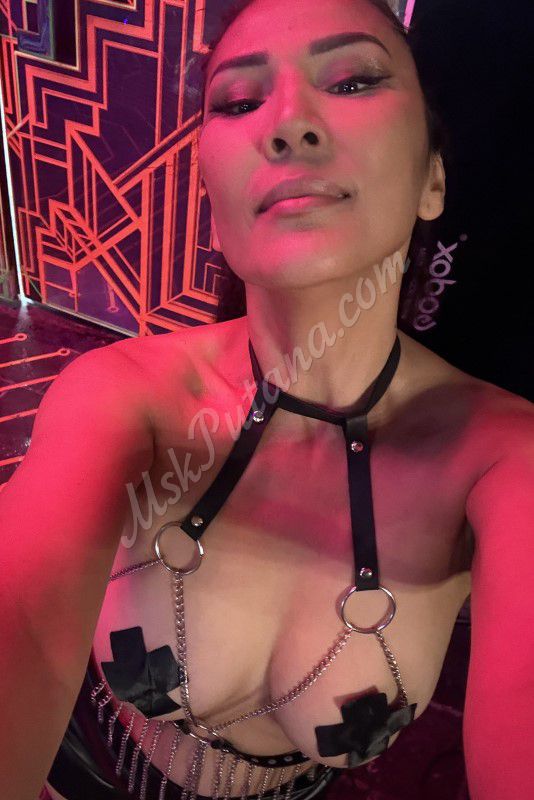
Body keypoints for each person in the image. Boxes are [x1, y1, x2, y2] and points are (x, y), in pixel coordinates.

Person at [0, 1, 532, 799]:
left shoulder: (502, 458)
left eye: (352, 81)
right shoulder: (122, 397)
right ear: (213, 201)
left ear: (433, 179)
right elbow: (23, 622)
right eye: (240, 100)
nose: (288, 124)